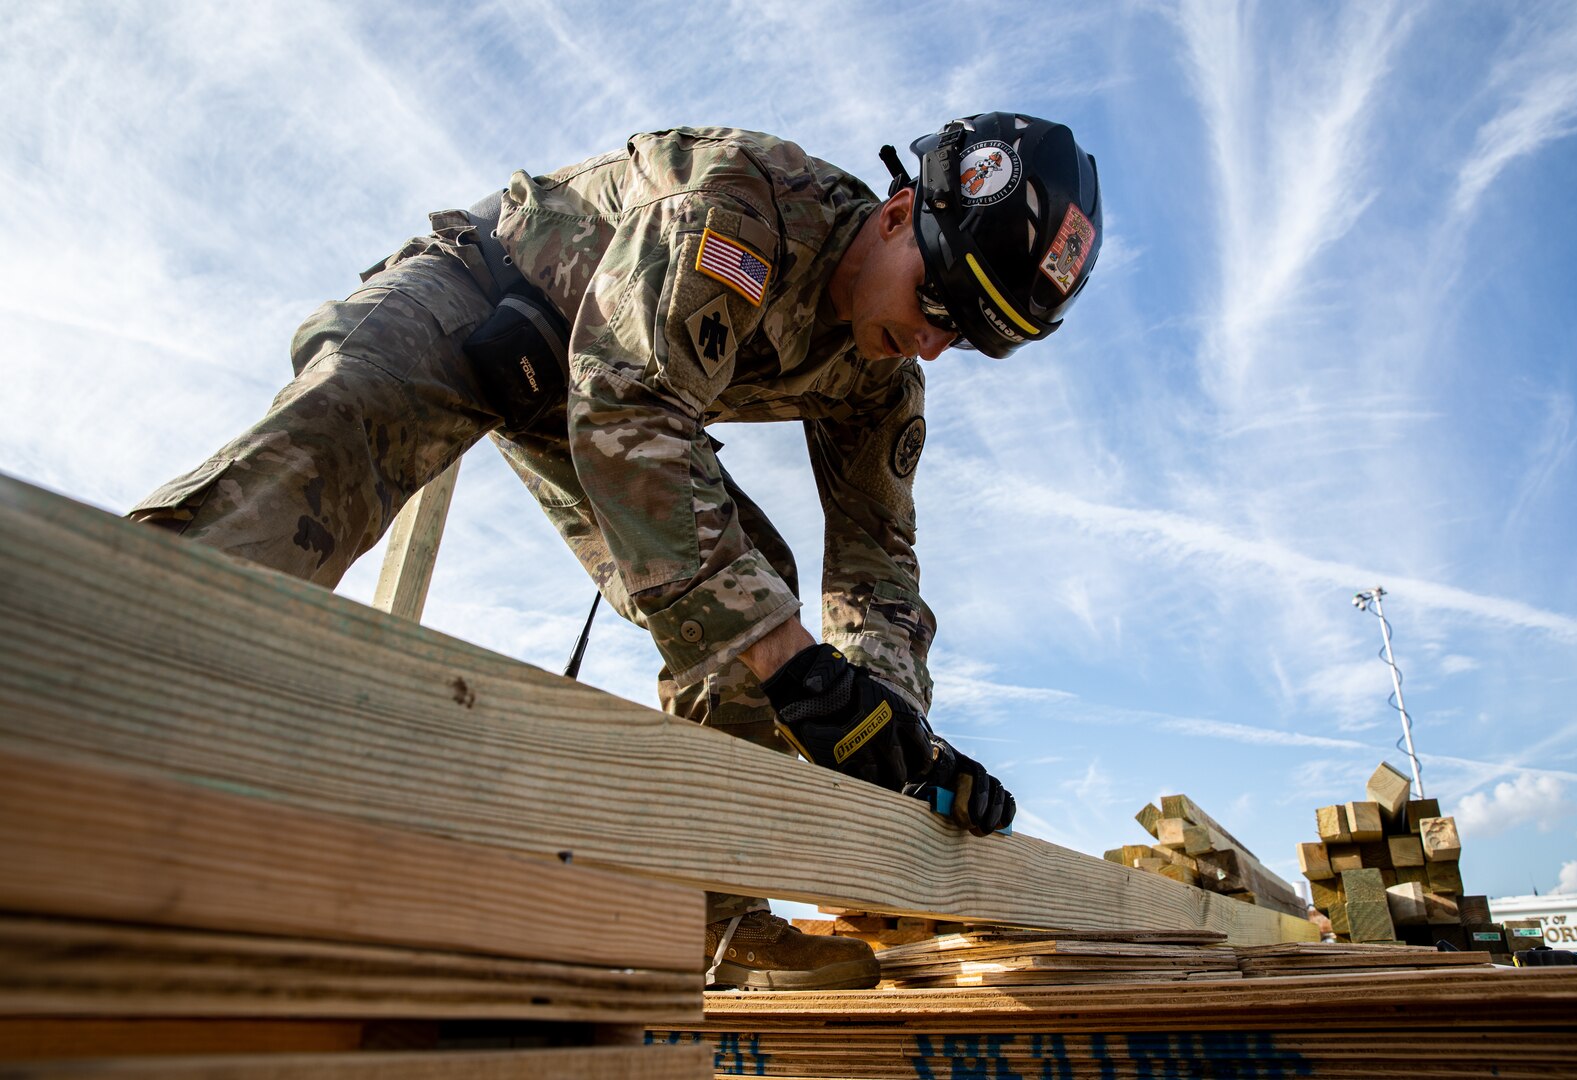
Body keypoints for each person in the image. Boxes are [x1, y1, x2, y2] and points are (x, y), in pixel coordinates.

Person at [129, 112, 1103, 990]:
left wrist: (894, 731)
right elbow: (629, 406)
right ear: (899, 217)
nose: (932, 345)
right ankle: (92, 674)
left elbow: (878, 560)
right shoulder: (742, 203)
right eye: (940, 306)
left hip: (597, 400)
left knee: (749, 608)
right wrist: (791, 659)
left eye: (967, 341)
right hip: (488, 297)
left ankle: (712, 926)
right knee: (323, 456)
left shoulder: (881, 378)